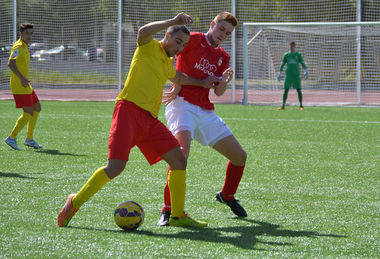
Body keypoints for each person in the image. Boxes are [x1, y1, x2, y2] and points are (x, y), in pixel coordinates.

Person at [57, 13, 221, 228]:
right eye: (178, 41)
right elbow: (143, 31)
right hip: (127, 111)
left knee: (179, 160)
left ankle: (178, 215)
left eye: (183, 45)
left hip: (149, 120)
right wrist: (172, 21)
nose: (180, 47)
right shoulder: (148, 46)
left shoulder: (169, 61)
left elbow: (178, 77)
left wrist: (203, 82)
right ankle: (74, 202)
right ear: (167, 36)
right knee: (115, 167)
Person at [157, 12, 248, 227]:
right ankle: (168, 210)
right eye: (221, 29)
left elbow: (216, 91)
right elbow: (171, 58)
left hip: (204, 110)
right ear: (212, 25)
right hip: (181, 104)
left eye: (228, 33)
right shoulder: (193, 38)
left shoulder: (223, 57)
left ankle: (227, 195)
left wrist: (224, 82)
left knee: (240, 157)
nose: (223, 34)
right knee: (180, 156)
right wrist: (178, 83)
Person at [4, 23, 43, 150]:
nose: (29, 36)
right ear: (20, 33)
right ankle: (12, 137)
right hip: (19, 85)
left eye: (31, 33)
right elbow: (10, 63)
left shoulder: (25, 46)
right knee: (28, 112)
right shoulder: (18, 46)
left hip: (25, 84)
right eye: (27, 33)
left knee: (37, 107)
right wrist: (21, 78)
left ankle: (29, 139)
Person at [277, 41, 308, 110]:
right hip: (288, 75)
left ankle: (301, 105)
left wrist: (306, 70)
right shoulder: (286, 54)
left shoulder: (298, 54)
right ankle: (283, 106)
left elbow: (302, 62)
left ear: (295, 46)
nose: (292, 47)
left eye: (293, 45)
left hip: (296, 75)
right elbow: (282, 64)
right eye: (291, 45)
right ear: (289, 46)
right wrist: (279, 72)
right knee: (286, 90)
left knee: (299, 90)